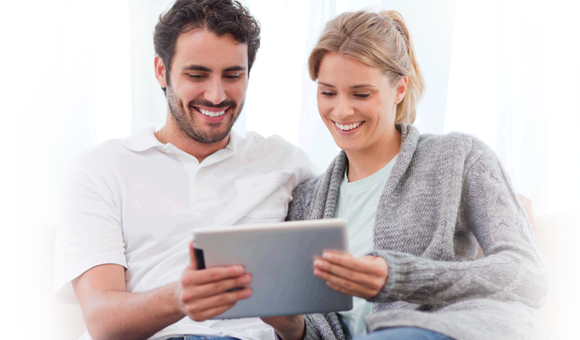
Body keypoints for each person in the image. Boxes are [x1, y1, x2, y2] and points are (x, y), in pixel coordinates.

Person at [261, 10, 551, 340]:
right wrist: (289, 327)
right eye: (328, 92)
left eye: (361, 94)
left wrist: (397, 276)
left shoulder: (457, 158)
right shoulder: (304, 204)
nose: (341, 111)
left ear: (399, 88)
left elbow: (530, 275)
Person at [53, 1, 316, 339]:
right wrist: (180, 297)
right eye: (197, 74)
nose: (217, 95)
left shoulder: (287, 163)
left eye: (233, 75)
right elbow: (102, 321)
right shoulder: (99, 170)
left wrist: (293, 327)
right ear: (162, 72)